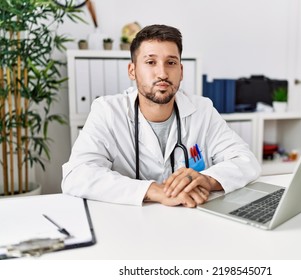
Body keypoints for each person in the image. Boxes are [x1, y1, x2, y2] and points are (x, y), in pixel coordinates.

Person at [62, 24, 260, 207]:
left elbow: (246, 161)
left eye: (171, 62)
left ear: (181, 71)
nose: (162, 73)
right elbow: (77, 175)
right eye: (150, 62)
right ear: (132, 70)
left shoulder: (202, 110)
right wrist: (154, 190)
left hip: (191, 220)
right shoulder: (107, 111)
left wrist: (208, 180)